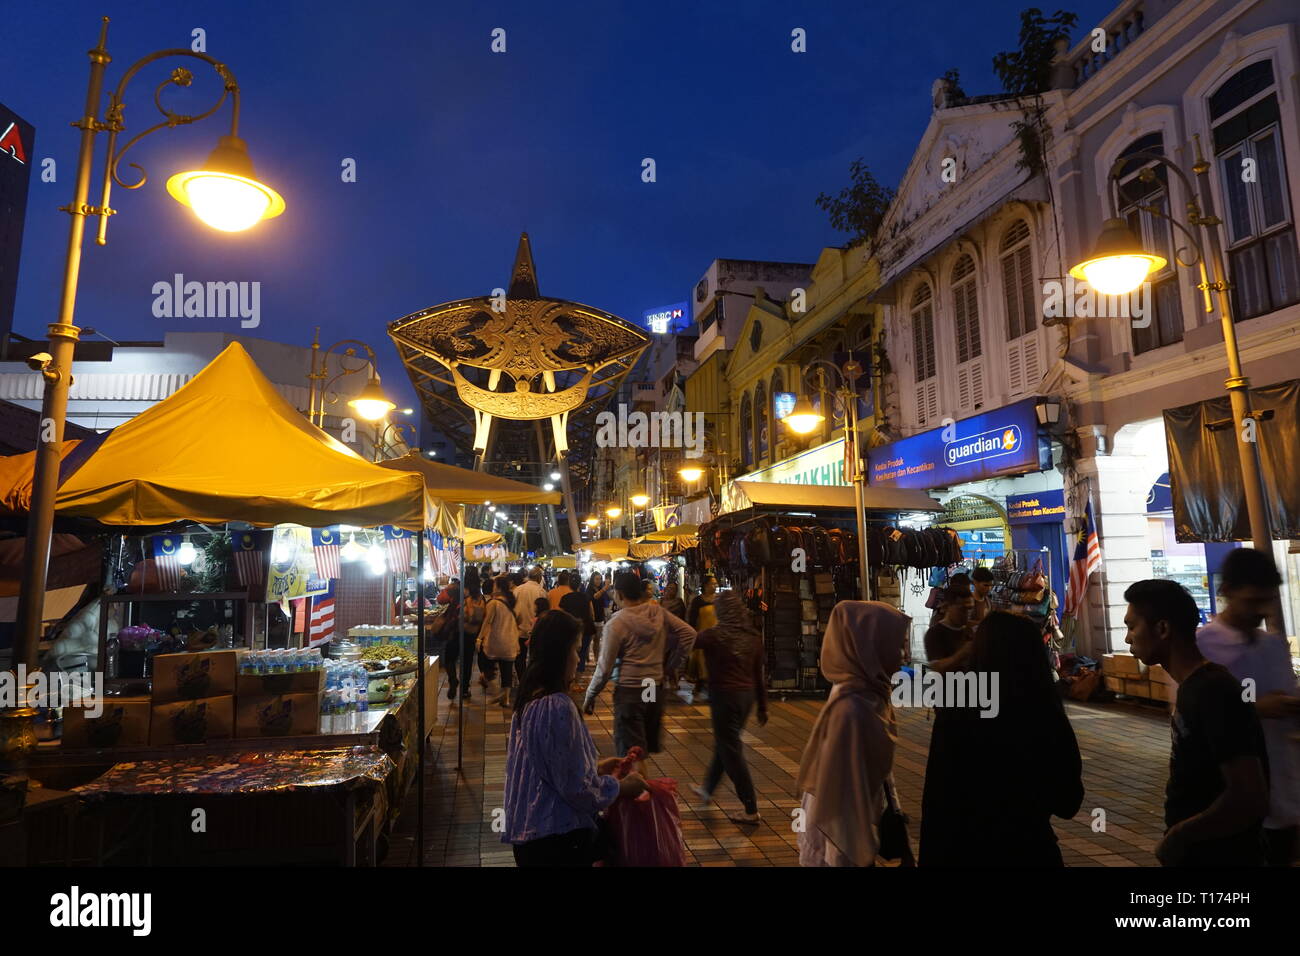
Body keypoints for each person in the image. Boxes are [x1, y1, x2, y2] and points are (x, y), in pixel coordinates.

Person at [919, 611, 1084, 866]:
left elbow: (937, 802)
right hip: (1030, 851)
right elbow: (1068, 801)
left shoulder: (958, 710)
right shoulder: (1042, 711)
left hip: (966, 852)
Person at [1125, 578, 1270, 866]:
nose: (1128, 638)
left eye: (1132, 626)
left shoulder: (1214, 692)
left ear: (1163, 629)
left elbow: (1248, 794)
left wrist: (1180, 835)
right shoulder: (1195, 688)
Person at [504, 609, 647, 866]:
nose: (577, 658)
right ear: (560, 654)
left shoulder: (528, 700)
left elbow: (547, 769)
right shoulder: (557, 706)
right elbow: (576, 789)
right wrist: (622, 788)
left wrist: (596, 768)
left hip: (529, 836)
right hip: (557, 838)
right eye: (575, 649)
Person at [1197, 548, 1300, 866]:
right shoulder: (1204, 646)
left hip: (1284, 792)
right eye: (1252, 602)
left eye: (1266, 601)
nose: (1261, 611)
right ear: (1227, 592)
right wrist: (1257, 707)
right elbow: (1197, 715)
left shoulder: (1272, 645)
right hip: (1233, 795)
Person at [796, 601, 912, 867]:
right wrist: (856, 857)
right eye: (896, 644)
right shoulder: (852, 709)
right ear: (869, 646)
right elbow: (841, 805)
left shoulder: (869, 696)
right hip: (838, 849)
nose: (904, 654)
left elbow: (880, 775)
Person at [584, 571, 696, 759]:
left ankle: (640, 787)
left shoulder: (617, 623)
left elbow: (605, 668)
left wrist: (591, 694)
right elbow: (689, 634)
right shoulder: (658, 613)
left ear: (619, 594)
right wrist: (671, 666)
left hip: (630, 690)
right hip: (651, 686)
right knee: (640, 750)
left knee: (632, 753)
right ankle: (642, 784)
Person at [689, 591, 768, 822]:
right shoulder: (753, 637)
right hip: (747, 697)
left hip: (725, 697)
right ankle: (707, 789)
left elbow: (689, 640)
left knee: (730, 750)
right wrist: (763, 707)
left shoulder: (715, 635)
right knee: (726, 744)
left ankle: (750, 808)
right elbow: (758, 675)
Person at [478, 576, 520, 708]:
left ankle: (496, 693)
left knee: (487, 666)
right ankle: (506, 699)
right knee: (506, 670)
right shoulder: (511, 602)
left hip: (496, 640)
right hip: (511, 640)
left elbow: (487, 622)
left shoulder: (493, 603)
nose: (493, 588)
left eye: (495, 585)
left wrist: (479, 638)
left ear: (499, 588)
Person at [445, 569, 485, 702]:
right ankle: (465, 689)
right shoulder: (479, 595)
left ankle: (453, 680)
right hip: (471, 633)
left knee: (449, 659)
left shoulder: (459, 591)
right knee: (467, 661)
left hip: (456, 631)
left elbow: (441, 599)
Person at [923, 584, 974, 670]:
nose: (967, 613)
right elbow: (936, 667)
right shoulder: (935, 633)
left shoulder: (968, 630)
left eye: (970, 609)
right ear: (948, 606)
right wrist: (962, 654)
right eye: (962, 609)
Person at [686, 575, 718, 700]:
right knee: (701, 665)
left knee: (714, 665)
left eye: (716, 584)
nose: (715, 586)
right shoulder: (698, 601)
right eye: (712, 584)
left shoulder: (719, 600)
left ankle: (711, 691)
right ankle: (699, 688)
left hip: (716, 638)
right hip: (702, 636)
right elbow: (692, 620)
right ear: (705, 585)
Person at [559, 585, 598, 676]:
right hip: (585, 628)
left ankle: (569, 676)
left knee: (569, 652)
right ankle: (579, 675)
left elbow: (562, 613)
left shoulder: (565, 597)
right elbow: (591, 613)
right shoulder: (586, 597)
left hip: (570, 628)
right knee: (582, 653)